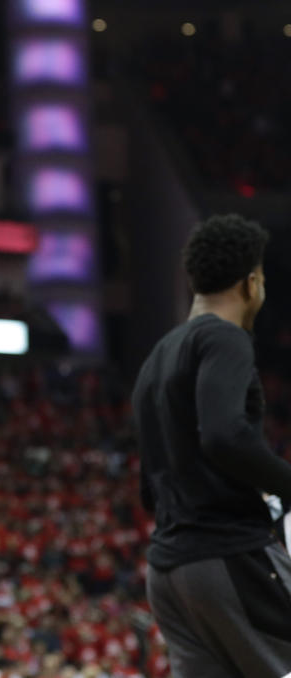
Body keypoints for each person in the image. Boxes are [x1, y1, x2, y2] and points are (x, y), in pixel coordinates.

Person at [132, 214, 291, 677]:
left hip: (168, 574)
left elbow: (148, 488)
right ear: (252, 282)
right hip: (228, 555)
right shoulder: (225, 338)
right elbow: (224, 436)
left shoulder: (156, 358)